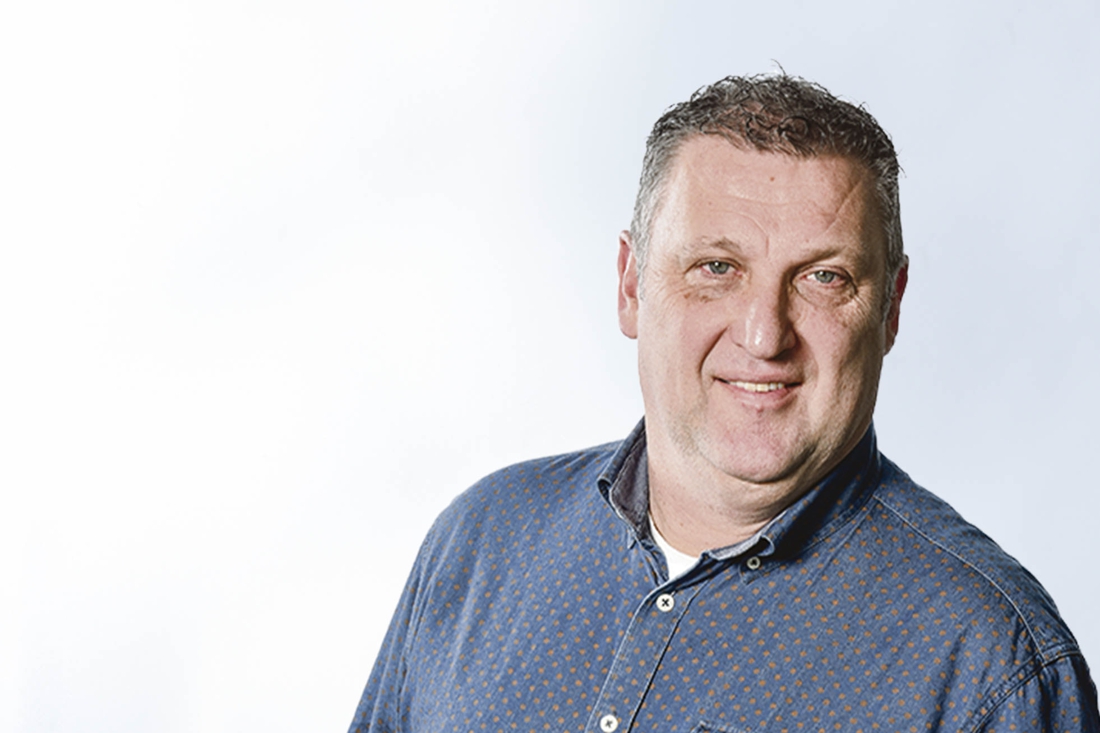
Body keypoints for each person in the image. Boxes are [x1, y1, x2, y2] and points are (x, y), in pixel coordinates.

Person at [348, 74, 1099, 732]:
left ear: (890, 308)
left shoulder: (992, 665)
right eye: (716, 267)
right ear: (631, 284)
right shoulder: (483, 540)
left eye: (824, 278)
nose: (764, 335)